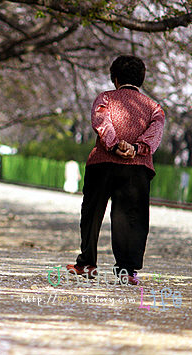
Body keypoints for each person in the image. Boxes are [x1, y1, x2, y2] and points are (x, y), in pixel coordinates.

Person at [67, 55, 165, 285]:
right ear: (141, 79)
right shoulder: (155, 108)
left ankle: (87, 263)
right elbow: (156, 131)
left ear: (115, 78)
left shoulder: (105, 98)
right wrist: (135, 148)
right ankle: (127, 270)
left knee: (92, 213)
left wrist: (113, 145)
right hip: (137, 168)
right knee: (131, 217)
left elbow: (101, 121)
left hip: (103, 163)